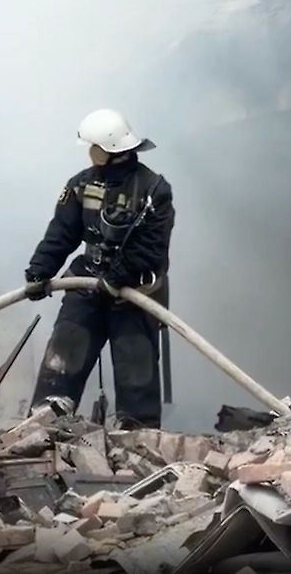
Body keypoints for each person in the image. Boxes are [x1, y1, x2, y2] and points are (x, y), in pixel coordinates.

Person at [23, 108, 175, 430]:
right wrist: (39, 271)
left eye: (92, 147)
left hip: (134, 295)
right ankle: (43, 431)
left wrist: (116, 278)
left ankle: (137, 443)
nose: (88, 153)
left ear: (109, 150)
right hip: (86, 286)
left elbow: (151, 248)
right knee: (61, 363)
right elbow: (62, 234)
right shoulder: (80, 185)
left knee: (138, 381)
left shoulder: (154, 191)